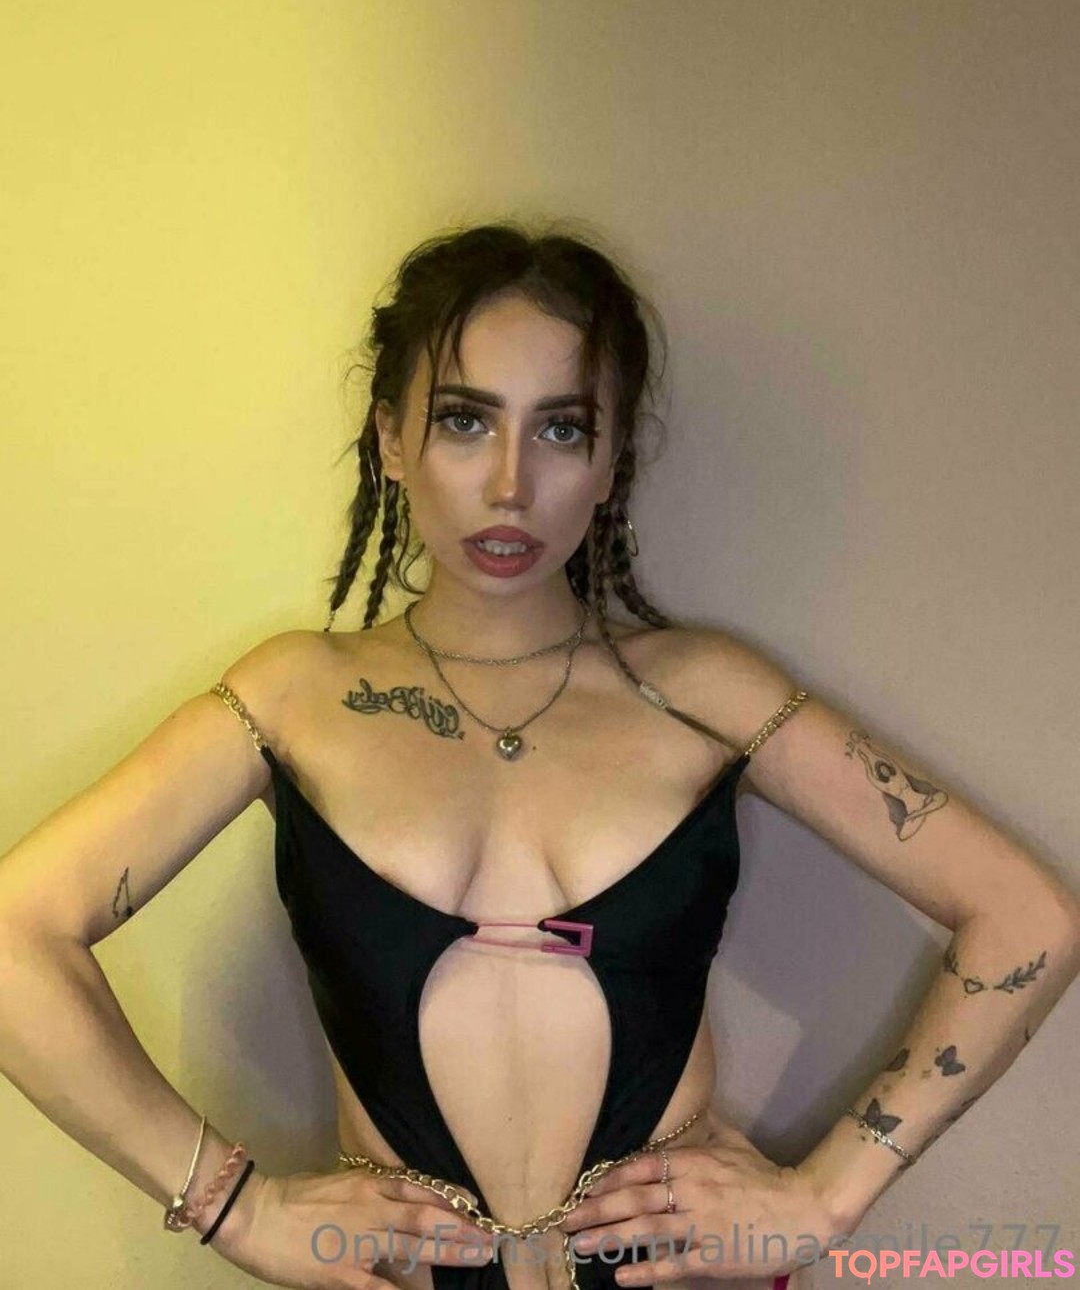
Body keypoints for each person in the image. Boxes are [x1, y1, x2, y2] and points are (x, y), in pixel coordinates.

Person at [1, 220, 1078, 1290]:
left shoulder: (705, 693)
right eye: (465, 421)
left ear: (611, 461)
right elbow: (15, 938)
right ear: (390, 438)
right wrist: (233, 1207)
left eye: (561, 429)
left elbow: (1028, 914)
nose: (512, 484)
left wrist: (824, 1198)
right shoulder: (294, 696)